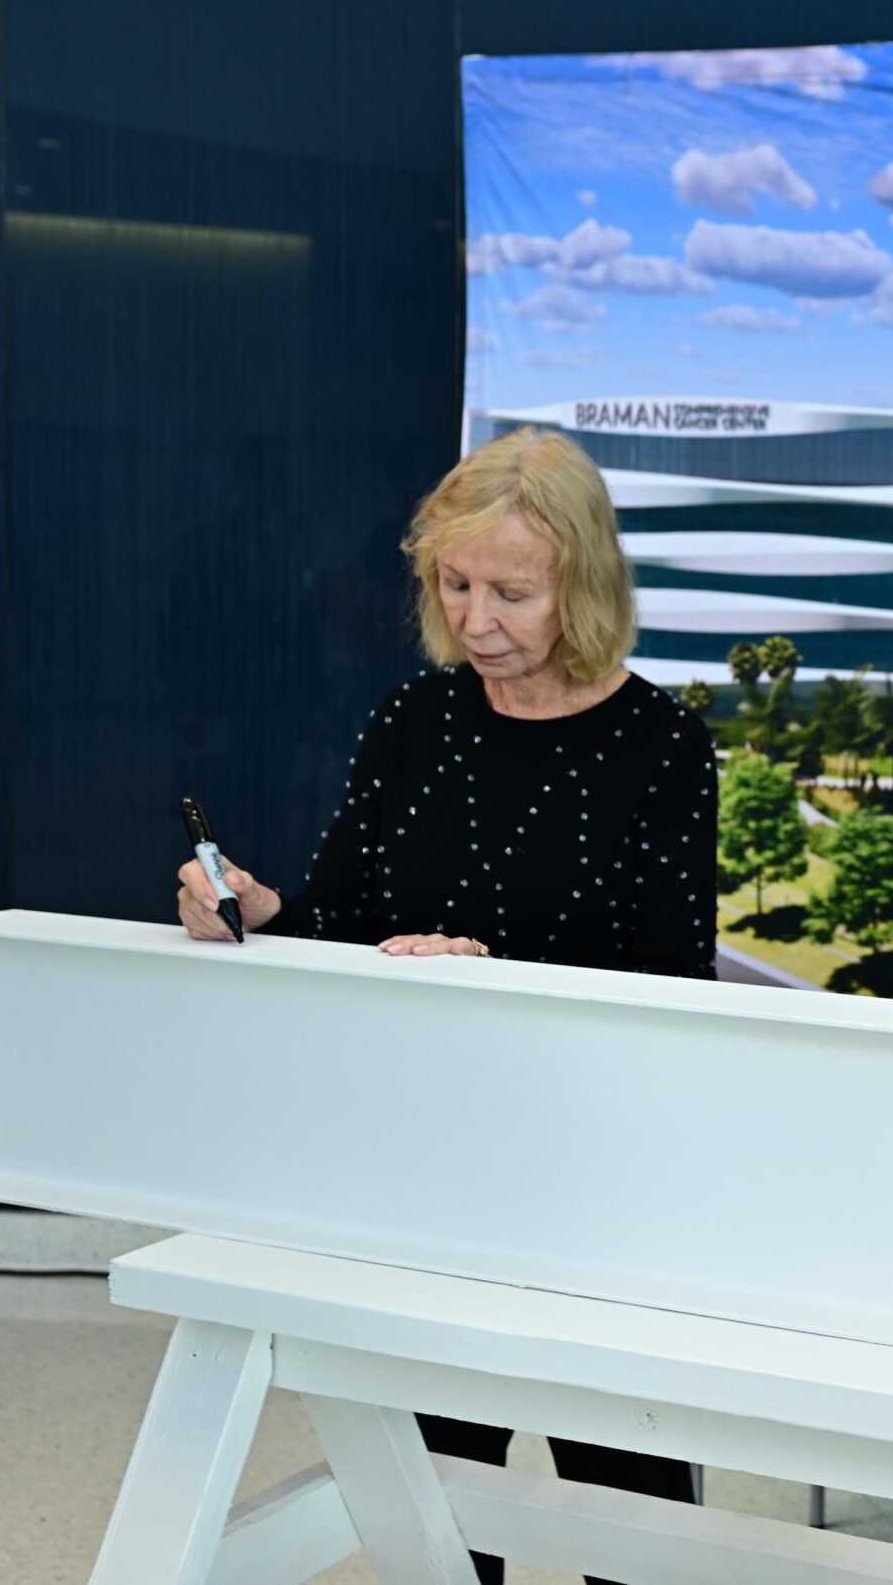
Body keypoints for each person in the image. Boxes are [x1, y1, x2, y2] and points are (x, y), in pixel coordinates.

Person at [174, 426, 717, 1585]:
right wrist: (261, 911)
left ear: (583, 581)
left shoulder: (664, 745)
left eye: (512, 592)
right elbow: (344, 911)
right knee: (434, 1501)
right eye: (454, 584)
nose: (477, 621)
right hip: (425, 1177)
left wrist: (490, 969)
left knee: (627, 1499)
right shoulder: (412, 721)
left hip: (596, 1188)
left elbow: (675, 991)